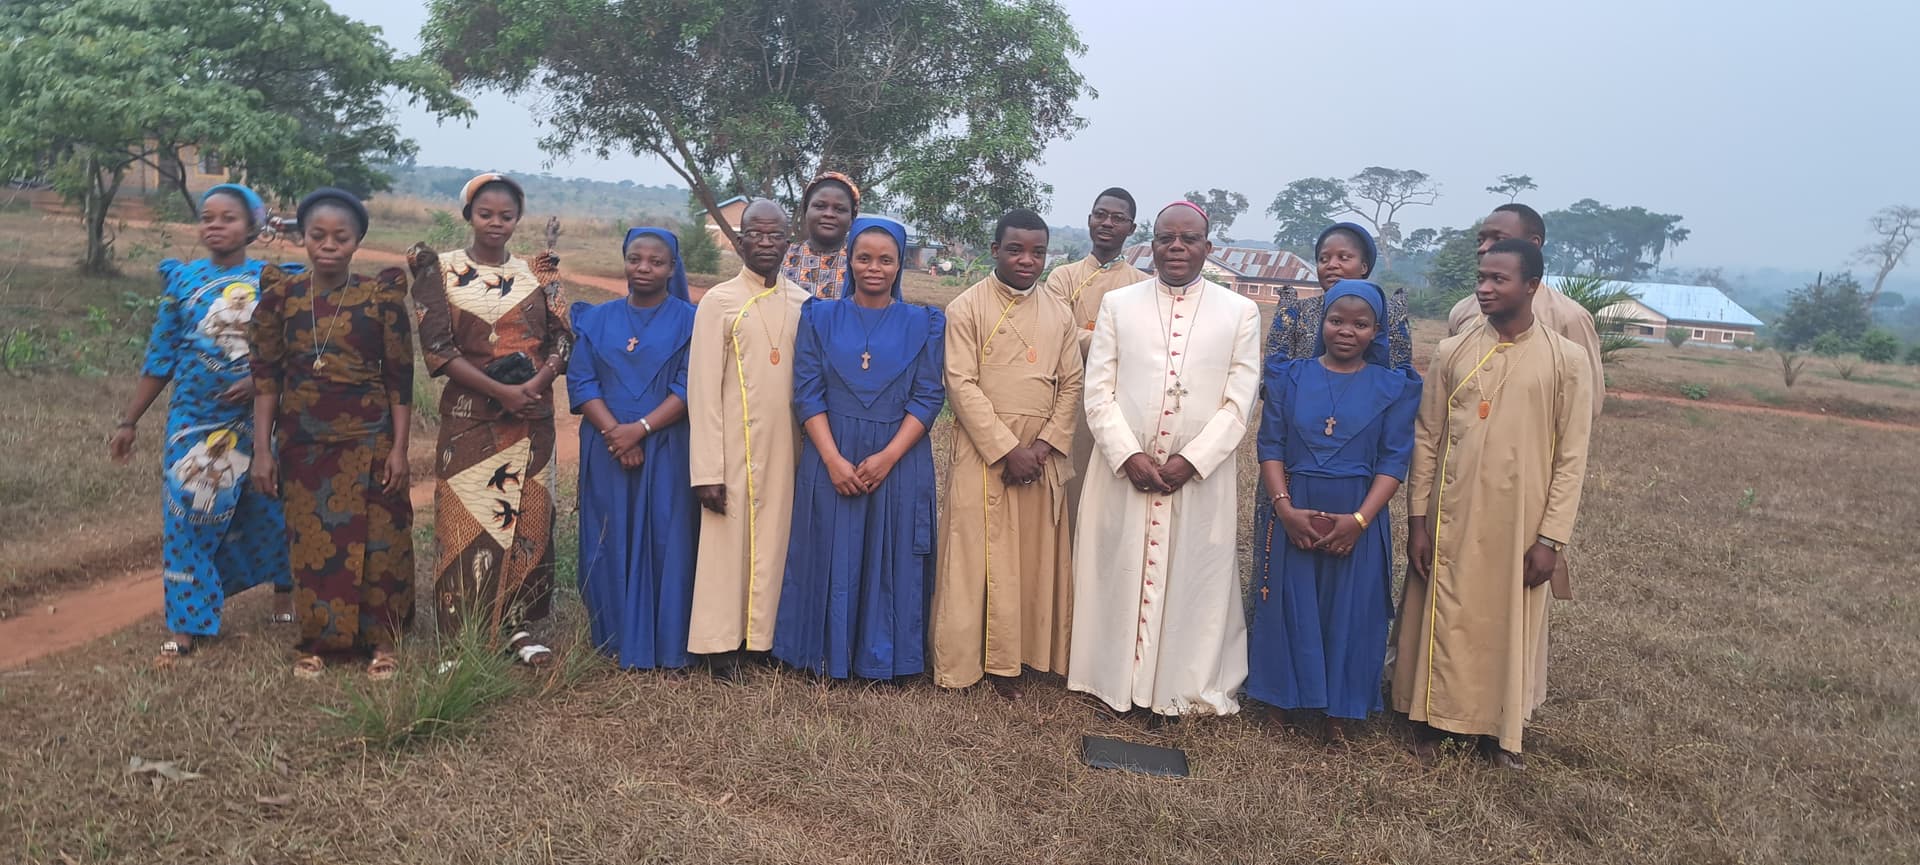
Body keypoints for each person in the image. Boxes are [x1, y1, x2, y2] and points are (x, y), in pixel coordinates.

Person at [1391, 239, 1594, 768]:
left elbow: (1572, 457)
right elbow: (1427, 437)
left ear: (1531, 286)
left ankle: (1495, 733)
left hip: (1520, 523)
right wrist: (1418, 520)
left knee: (1504, 622)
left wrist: (1551, 539)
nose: (1484, 287)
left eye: (1498, 279)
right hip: (1450, 512)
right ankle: (1427, 722)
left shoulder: (1565, 360)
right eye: (1481, 277)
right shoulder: (1452, 351)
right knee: (1442, 612)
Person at [1067, 201, 1262, 718]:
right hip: (1124, 469)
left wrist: (1192, 461)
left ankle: (1180, 686)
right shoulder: (1119, 305)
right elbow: (1098, 390)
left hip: (1198, 478)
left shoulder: (1240, 312)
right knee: (1120, 566)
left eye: (1188, 239)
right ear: (1150, 245)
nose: (1176, 247)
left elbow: (1239, 402)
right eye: (1166, 238)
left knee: (1193, 578)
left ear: (1207, 247)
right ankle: (1109, 679)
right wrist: (1126, 453)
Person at [109, 183, 294, 667]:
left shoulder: (275, 282)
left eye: (227, 218)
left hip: (258, 419)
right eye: (208, 217)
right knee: (186, 513)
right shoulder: (183, 283)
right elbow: (161, 356)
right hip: (193, 420)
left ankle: (284, 595)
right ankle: (186, 625)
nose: (215, 225)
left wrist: (259, 382)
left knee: (268, 507)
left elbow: (298, 346)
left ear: (252, 226)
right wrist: (129, 421)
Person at [248, 188, 415, 681]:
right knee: (313, 541)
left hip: (371, 438)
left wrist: (400, 450)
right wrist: (262, 449)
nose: (328, 245)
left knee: (383, 541)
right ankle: (318, 641)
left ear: (357, 241)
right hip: (304, 443)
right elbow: (265, 379)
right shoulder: (281, 298)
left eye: (340, 237)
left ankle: (383, 643)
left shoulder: (380, 298)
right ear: (302, 238)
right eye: (317, 235)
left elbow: (399, 380)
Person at [408, 173, 572, 667]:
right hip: (471, 417)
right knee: (466, 520)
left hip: (531, 418)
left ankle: (518, 626)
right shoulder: (437, 270)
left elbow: (563, 340)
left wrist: (536, 385)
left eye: (506, 215)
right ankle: (460, 638)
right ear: (468, 216)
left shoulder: (539, 274)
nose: (496, 223)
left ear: (517, 219)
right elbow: (438, 349)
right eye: (486, 214)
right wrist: (503, 390)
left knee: (528, 520)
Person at [772, 216, 946, 681]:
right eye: (864, 257)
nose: (874, 267)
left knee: (889, 556)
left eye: (885, 259)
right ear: (848, 259)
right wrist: (831, 459)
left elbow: (928, 396)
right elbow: (807, 392)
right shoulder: (818, 315)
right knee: (829, 548)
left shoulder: (924, 323)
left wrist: (888, 456)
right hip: (832, 451)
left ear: (899, 265)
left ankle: (883, 657)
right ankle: (820, 651)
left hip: (898, 456)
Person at [1247, 280, 1420, 741]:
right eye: (1336, 320)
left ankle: (1338, 712)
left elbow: (1394, 460)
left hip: (1359, 511)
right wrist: (1284, 509)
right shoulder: (1290, 376)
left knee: (1351, 608)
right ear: (1321, 322)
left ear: (1376, 330)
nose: (1347, 331)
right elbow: (1271, 447)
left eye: (1361, 324)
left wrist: (1360, 520)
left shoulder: (1393, 387)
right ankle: (1280, 702)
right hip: (1295, 503)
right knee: (1288, 601)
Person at [932, 208, 1082, 696]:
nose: (1027, 260)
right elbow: (960, 383)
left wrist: (1041, 447)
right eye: (1015, 249)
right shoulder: (966, 307)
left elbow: (1072, 383)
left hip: (1040, 455)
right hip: (985, 452)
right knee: (976, 553)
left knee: (1030, 558)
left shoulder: (1060, 312)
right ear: (995, 250)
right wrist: (1006, 449)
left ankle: (1021, 656)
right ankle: (970, 660)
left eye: (1037, 251)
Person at [686, 199, 811, 680]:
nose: (764, 244)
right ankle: (719, 646)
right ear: (739, 243)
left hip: (786, 451)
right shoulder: (718, 302)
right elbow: (701, 391)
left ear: (788, 243)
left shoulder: (803, 304)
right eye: (755, 236)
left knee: (779, 541)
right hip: (731, 449)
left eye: (774, 236)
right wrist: (707, 470)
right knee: (726, 546)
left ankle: (763, 641)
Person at [568, 228, 698, 671]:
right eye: (635, 259)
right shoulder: (595, 319)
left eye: (656, 262)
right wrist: (615, 433)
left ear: (672, 267)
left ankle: (663, 640)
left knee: (665, 537)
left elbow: (687, 386)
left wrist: (639, 429)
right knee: (608, 537)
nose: (644, 268)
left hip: (665, 446)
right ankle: (612, 634)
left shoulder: (691, 320)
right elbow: (582, 380)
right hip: (606, 448)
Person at [1042, 187, 1148, 515]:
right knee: (1064, 495)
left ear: (1131, 229)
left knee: (1107, 498)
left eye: (1118, 218)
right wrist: (1113, 341)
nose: (1107, 223)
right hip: (1064, 399)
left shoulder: (1142, 284)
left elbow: (1142, 345)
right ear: (1089, 220)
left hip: (1119, 403)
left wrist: (1085, 337)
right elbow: (1055, 334)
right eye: (1100, 215)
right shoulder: (1063, 277)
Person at [1446, 203, 1604, 419]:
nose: (1484, 247)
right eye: (1481, 240)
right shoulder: (1463, 312)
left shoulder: (1569, 318)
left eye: (1498, 239)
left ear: (1533, 244)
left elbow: (1588, 405)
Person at [1264, 223, 1414, 371]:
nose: (1331, 265)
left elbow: (1400, 375)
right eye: (1323, 259)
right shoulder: (1296, 312)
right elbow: (1274, 375)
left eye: (1343, 257)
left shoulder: (1389, 314)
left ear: (1364, 267)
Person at [783, 172, 860, 299]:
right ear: (806, 211)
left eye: (839, 209)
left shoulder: (860, 264)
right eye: (820, 206)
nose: (829, 214)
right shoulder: (782, 258)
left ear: (852, 218)